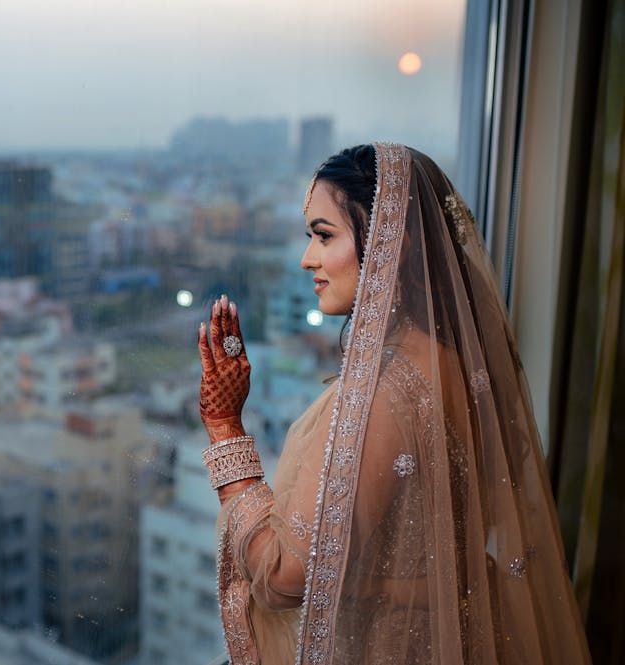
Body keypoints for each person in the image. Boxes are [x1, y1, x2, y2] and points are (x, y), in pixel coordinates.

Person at [197, 143, 592, 664]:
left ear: (390, 246)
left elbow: (284, 576)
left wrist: (225, 428)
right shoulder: (456, 364)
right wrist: (388, 584)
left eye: (324, 235)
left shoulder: (386, 393)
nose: (307, 258)